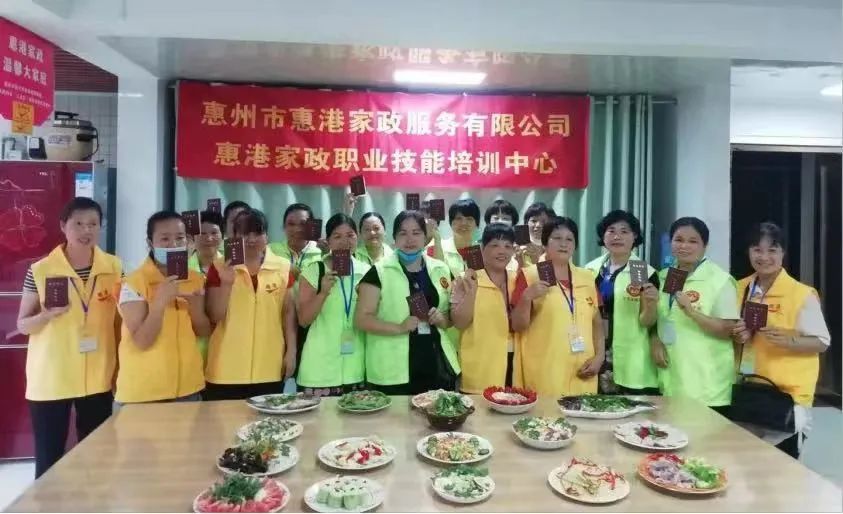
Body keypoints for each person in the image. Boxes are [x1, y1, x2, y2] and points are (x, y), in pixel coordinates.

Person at [16, 198, 122, 478]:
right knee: (49, 458)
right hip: (52, 377)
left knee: (97, 456)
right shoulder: (41, 270)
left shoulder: (114, 268)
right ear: (63, 226)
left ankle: (93, 501)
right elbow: (22, 325)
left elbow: (120, 320)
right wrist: (46, 315)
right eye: (78, 223)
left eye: (93, 224)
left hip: (98, 376)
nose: (86, 230)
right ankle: (47, 502)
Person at [732, 222, 830, 459]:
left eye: (772, 250)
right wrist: (738, 334)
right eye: (757, 249)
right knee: (745, 464)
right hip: (748, 390)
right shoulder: (740, 287)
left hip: (788, 397)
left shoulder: (801, 294)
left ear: (783, 253)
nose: (764, 257)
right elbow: (732, 331)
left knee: (782, 466)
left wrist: (790, 341)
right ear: (749, 251)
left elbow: (821, 342)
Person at [355, 210, 460, 394]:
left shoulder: (441, 269)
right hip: (392, 369)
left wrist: (442, 319)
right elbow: (362, 319)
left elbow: (451, 318)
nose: (410, 239)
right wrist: (399, 327)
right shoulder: (379, 271)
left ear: (425, 237)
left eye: (416, 233)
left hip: (435, 363)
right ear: (394, 238)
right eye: (403, 233)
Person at [116, 211, 210, 405]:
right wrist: (159, 304)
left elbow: (203, 331)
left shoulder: (195, 278)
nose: (174, 245)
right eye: (165, 239)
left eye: (180, 238)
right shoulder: (133, 283)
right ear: (151, 243)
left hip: (188, 388)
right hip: (144, 393)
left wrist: (195, 308)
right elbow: (142, 341)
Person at [204, 208, 297, 400]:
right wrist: (226, 283)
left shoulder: (282, 267)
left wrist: (291, 351)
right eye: (245, 233)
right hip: (225, 369)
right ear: (234, 236)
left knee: (267, 418)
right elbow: (214, 315)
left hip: (269, 366)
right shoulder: (219, 266)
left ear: (267, 236)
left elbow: (288, 313)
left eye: (258, 232)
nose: (252, 239)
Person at [511, 217, 604, 397]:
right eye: (557, 238)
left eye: (569, 239)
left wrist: (599, 357)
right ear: (545, 243)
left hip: (584, 370)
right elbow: (518, 326)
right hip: (545, 372)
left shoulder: (586, 278)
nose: (564, 244)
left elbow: (597, 322)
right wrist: (526, 298)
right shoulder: (530, 275)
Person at [651, 217, 738, 409]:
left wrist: (692, 312)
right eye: (679, 240)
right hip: (671, 378)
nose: (684, 246)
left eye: (693, 241)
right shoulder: (665, 276)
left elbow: (727, 329)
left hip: (706, 385)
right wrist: (656, 340)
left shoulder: (720, 281)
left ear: (705, 246)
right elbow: (663, 317)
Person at [584, 210, 659, 395]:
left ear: (635, 236)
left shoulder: (641, 271)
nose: (617, 236)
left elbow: (647, 322)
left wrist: (651, 304)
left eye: (624, 231)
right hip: (594, 349)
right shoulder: (590, 269)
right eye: (611, 231)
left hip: (629, 354)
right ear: (603, 235)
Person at [296, 214, 370, 396]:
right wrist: (323, 292)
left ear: (357, 238)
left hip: (356, 367)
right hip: (319, 369)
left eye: (350, 235)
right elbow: (304, 320)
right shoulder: (314, 271)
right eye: (337, 236)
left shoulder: (367, 272)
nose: (345, 242)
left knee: (354, 414)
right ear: (328, 241)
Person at [450, 223, 518, 393]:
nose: (502, 251)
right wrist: (472, 291)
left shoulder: (517, 280)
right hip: (480, 365)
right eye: (495, 245)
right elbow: (459, 322)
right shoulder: (465, 279)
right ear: (482, 248)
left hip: (515, 363)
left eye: (507, 246)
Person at [188, 210, 223, 362]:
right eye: (202, 233)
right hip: (191, 347)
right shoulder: (182, 271)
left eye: (214, 233)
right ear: (193, 237)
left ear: (222, 236)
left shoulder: (234, 269)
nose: (209, 238)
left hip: (224, 348)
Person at [269, 203, 323, 279]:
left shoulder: (321, 252)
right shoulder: (271, 250)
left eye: (303, 224)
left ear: (312, 227)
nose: (297, 229)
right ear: (284, 226)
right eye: (291, 224)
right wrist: (285, 265)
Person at [434, 198, 481, 277]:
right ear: (451, 222)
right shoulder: (439, 247)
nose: (464, 223)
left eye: (469, 219)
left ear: (477, 223)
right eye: (458, 218)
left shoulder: (481, 250)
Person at [517, 202, 555, 267]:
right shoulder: (518, 244)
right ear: (526, 223)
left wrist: (537, 260)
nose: (538, 225)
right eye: (534, 221)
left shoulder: (558, 246)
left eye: (544, 221)